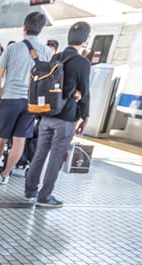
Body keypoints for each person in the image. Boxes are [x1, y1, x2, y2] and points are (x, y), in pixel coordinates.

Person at [24, 21, 92, 209]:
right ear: (86, 40)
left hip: (46, 114)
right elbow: (85, 92)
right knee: (55, 156)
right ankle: (45, 196)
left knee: (39, 153)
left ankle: (30, 190)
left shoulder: (56, 58)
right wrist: (85, 116)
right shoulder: (82, 63)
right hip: (66, 117)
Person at [0, 12, 51, 185]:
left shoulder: (12, 48)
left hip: (10, 99)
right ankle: (5, 174)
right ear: (41, 29)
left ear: (24, 28)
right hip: (31, 102)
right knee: (20, 140)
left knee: (2, 137)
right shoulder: (47, 51)